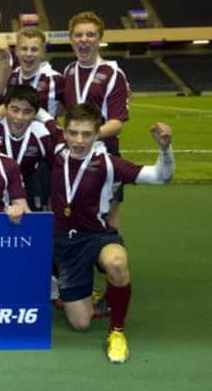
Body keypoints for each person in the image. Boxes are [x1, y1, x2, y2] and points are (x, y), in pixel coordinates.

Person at [50, 103, 174, 363]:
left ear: (97, 135)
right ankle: (84, 293)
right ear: (64, 132)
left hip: (97, 236)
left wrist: (165, 149)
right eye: (73, 133)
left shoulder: (108, 164)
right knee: (81, 323)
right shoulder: (53, 155)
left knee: (116, 263)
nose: (79, 140)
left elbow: (161, 176)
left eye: (86, 134)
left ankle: (117, 332)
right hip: (66, 244)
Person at [63, 11, 130, 230]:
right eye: (78, 35)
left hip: (104, 153)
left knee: (108, 215)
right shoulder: (69, 71)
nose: (84, 40)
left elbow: (117, 121)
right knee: (75, 210)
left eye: (90, 35)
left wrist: (84, 137)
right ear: (71, 39)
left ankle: (114, 262)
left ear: (99, 38)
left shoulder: (113, 73)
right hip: (73, 154)